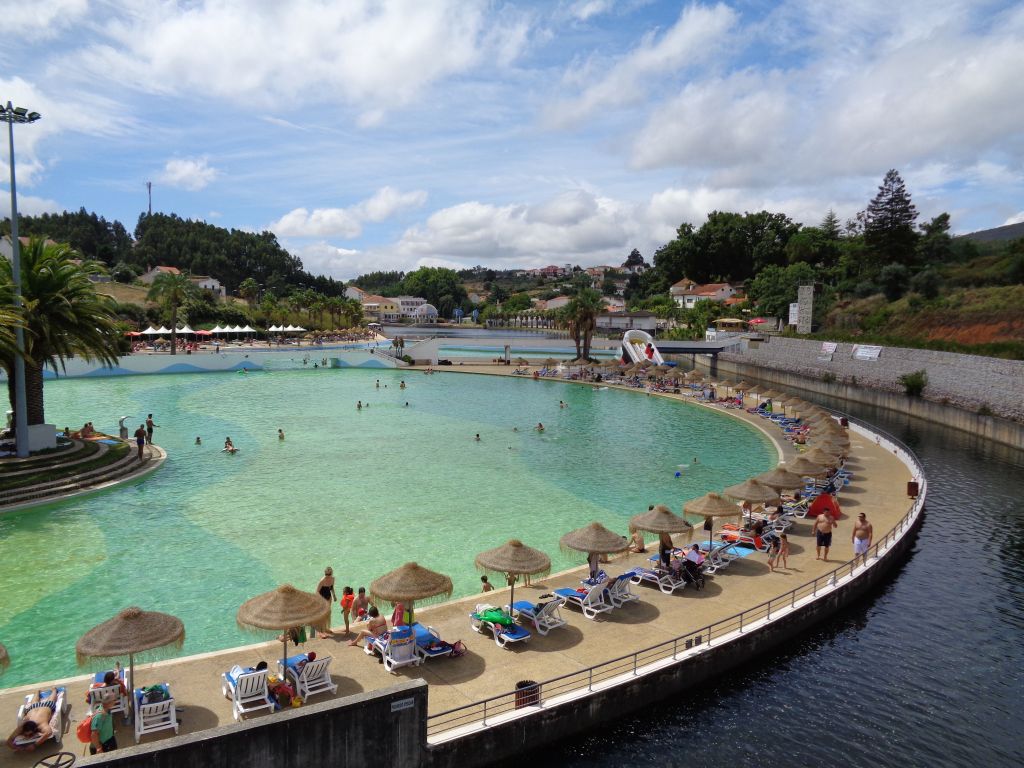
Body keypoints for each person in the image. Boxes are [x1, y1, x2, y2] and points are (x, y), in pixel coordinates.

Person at [315, 567, 337, 638]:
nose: (327, 576)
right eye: (326, 574)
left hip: (329, 597)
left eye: (328, 575)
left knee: (328, 614)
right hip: (322, 599)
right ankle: (320, 632)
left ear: (331, 574)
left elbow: (331, 588)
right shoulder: (322, 580)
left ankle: (326, 628)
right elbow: (317, 591)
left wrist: (334, 596)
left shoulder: (333, 579)